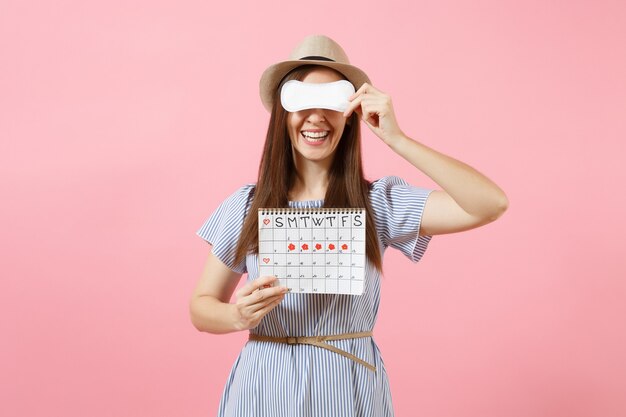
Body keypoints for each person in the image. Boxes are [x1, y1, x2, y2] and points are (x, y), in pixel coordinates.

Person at [190, 34, 508, 417]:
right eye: (303, 102)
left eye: (331, 103)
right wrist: (237, 315)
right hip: (263, 387)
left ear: (351, 113)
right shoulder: (246, 205)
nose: (316, 117)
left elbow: (490, 204)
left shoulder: (378, 203)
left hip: (348, 387)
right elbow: (201, 307)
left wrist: (398, 139)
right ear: (282, 113)